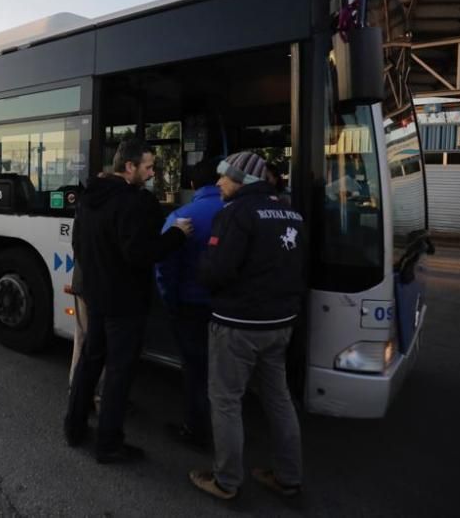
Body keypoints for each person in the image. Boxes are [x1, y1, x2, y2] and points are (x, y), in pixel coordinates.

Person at [64, 138, 193, 464]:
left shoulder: (90, 196)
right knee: (119, 373)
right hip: (124, 302)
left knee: (91, 361)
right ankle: (108, 444)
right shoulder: (132, 203)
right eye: (148, 166)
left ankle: (74, 426)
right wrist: (177, 234)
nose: (152, 173)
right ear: (130, 166)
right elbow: (140, 254)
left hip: (97, 297)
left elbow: (77, 245)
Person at [189, 151, 306, 501]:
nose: (218, 182)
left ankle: (226, 481)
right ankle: (288, 477)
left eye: (224, 175)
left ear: (241, 178)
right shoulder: (290, 211)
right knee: (279, 399)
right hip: (281, 324)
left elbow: (216, 271)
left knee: (225, 400)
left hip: (238, 325)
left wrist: (202, 268)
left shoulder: (235, 213)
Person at [155, 156, 223, 449]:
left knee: (195, 370)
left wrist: (170, 303)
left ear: (192, 184)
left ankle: (196, 430)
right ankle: (228, 430)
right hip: (229, 309)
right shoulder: (237, 212)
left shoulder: (183, 217)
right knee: (223, 372)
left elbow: (165, 268)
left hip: (190, 306)